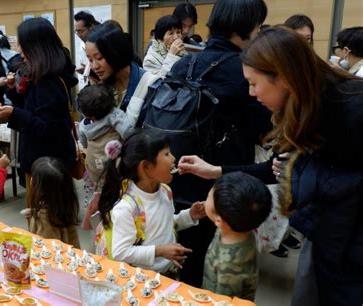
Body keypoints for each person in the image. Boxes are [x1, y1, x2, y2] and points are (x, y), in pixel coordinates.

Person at [180, 26, 363, 306]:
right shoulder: (303, 110)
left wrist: (309, 171)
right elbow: (276, 167)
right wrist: (214, 170)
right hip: (325, 232)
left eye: (254, 83)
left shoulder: (352, 109)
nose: (251, 93)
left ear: (284, 78)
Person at [168, 0, 269, 287]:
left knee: (185, 258)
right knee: (221, 265)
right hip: (223, 183)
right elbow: (260, 129)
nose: (259, 32)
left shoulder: (181, 64)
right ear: (243, 27)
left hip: (178, 172)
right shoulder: (244, 70)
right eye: (258, 26)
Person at [0, 17, 78, 204]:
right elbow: (31, 109)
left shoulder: (49, 81)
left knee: (48, 223)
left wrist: (13, 113)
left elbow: (47, 128)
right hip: (42, 162)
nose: (20, 52)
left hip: (49, 166)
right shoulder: (38, 76)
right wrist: (14, 94)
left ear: (36, 48)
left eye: (23, 46)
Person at [95, 129, 206, 274]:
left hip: (167, 271)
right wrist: (160, 251)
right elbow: (121, 252)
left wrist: (189, 216)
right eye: (166, 154)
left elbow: (165, 224)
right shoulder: (127, 208)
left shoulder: (165, 191)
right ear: (146, 167)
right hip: (144, 279)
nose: (173, 158)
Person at [202, 172, 272, 300]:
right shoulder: (240, 226)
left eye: (207, 198)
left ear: (219, 220)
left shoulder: (229, 269)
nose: (205, 201)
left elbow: (223, 302)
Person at [85, 25, 160, 127]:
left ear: (115, 53)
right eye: (90, 60)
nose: (94, 66)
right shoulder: (99, 85)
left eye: (99, 58)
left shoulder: (150, 85)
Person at [77, 84, 132, 189]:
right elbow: (128, 133)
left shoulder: (84, 126)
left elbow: (83, 142)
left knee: (101, 186)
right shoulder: (114, 117)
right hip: (112, 165)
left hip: (94, 166)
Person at [26, 157, 80, 248]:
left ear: (41, 190)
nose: (31, 179)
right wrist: (33, 213)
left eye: (33, 177)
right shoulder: (62, 207)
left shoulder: (46, 222)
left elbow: (46, 252)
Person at [74, 11, 100, 87]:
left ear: (91, 27)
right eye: (76, 32)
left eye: (81, 31)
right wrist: (85, 70)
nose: (79, 35)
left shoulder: (101, 43)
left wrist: (89, 71)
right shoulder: (83, 44)